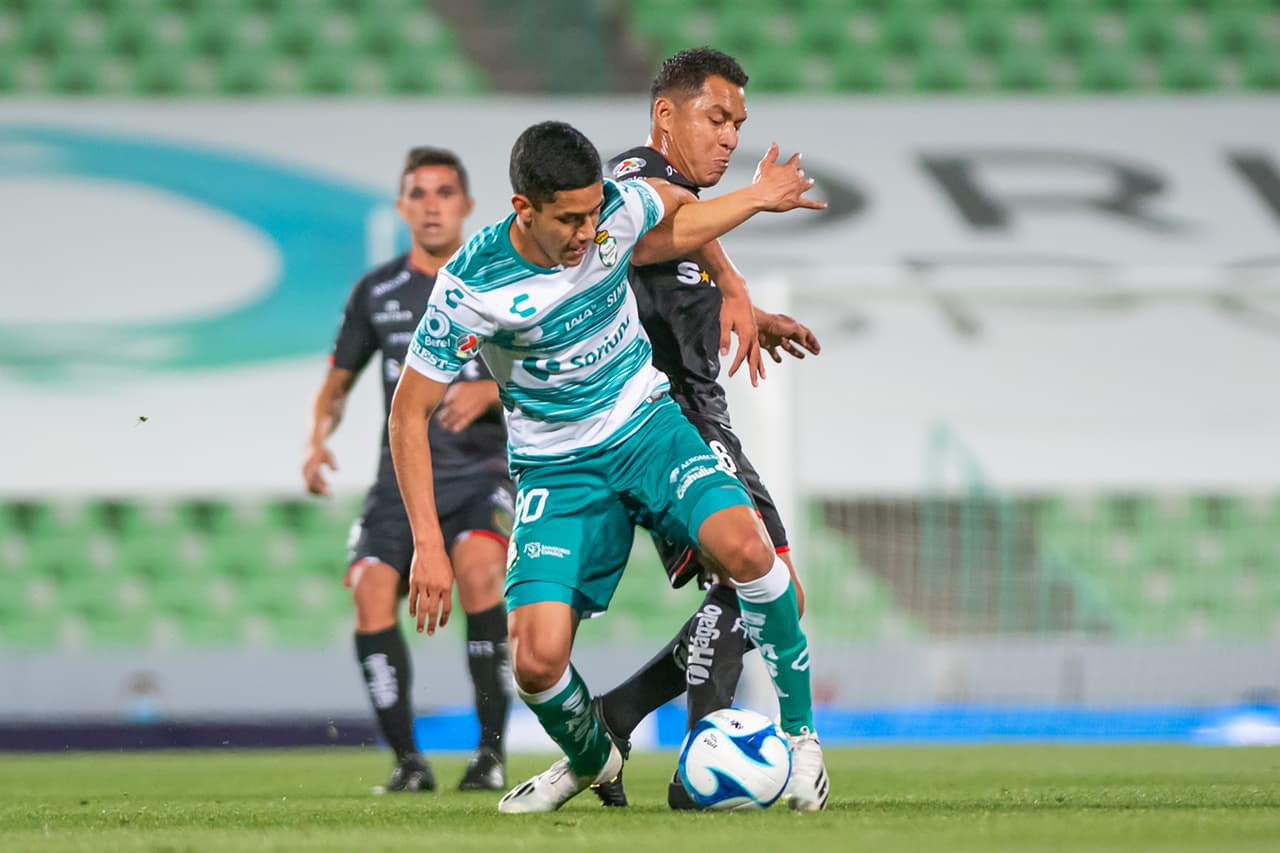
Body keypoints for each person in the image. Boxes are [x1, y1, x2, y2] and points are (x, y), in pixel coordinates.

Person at [388, 120, 829, 813]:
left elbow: (680, 215)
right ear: (522, 209)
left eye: (594, 213)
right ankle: (596, 755)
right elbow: (407, 413)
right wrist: (424, 544)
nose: (587, 231)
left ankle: (804, 744)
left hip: (647, 426)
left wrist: (744, 238)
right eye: (569, 219)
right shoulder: (470, 286)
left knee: (750, 550)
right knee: (534, 660)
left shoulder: (615, 208)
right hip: (556, 468)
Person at [591, 47, 827, 812]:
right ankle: (703, 756)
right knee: (760, 578)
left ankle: (621, 714)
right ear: (667, 116)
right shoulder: (630, 175)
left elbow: (681, 232)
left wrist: (743, 299)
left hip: (695, 414)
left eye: (739, 123)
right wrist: (758, 198)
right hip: (673, 421)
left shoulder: (682, 198)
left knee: (762, 583)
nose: (730, 136)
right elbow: (649, 233)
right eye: (716, 117)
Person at [303, 147, 512, 794]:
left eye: (444, 192)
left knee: (479, 571)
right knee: (368, 590)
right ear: (401, 208)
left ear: (467, 206)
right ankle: (408, 762)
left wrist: (492, 391)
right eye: (418, 194)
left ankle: (489, 754)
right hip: (399, 482)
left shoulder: (501, 282)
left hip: (481, 475)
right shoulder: (377, 292)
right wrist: (317, 437)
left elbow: (554, 366)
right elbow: (337, 382)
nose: (431, 205)